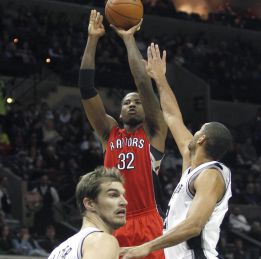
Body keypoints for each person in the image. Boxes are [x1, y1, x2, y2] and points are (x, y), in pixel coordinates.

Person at [121, 43, 233, 259]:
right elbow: (172, 117)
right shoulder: (193, 165)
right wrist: (160, 78)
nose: (193, 132)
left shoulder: (212, 175)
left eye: (198, 130)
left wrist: (148, 246)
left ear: (201, 139)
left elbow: (194, 225)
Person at [78, 10, 167, 259]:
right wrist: (93, 39)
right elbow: (86, 89)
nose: (132, 104)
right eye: (127, 102)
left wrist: (128, 38)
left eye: (137, 102)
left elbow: (142, 83)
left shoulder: (155, 131)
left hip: (147, 221)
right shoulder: (109, 133)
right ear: (119, 110)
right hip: (111, 223)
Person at [48, 166, 127, 259]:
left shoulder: (57, 251)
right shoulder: (102, 240)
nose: (124, 202)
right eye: (113, 195)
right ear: (90, 204)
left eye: (123, 195)